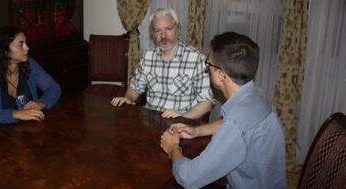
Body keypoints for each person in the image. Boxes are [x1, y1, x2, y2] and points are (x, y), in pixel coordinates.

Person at [160, 32, 287, 189]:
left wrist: (173, 147)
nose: (207, 68)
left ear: (220, 75)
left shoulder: (236, 122)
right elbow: (235, 125)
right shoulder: (257, 96)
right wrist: (197, 131)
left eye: (209, 65)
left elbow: (189, 178)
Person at [111, 8, 214, 119]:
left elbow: (207, 102)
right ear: (153, 34)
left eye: (168, 29)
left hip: (181, 124)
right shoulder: (148, 56)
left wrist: (183, 116)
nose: (163, 36)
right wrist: (128, 98)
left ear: (178, 29)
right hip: (150, 123)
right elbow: (135, 88)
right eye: (158, 31)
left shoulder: (196, 59)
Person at [0, 26, 61, 125]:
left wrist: (41, 103)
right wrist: (16, 114)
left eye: (26, 43)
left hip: (29, 129)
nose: (27, 47)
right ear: (5, 50)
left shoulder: (30, 65)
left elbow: (54, 88)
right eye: (20, 44)